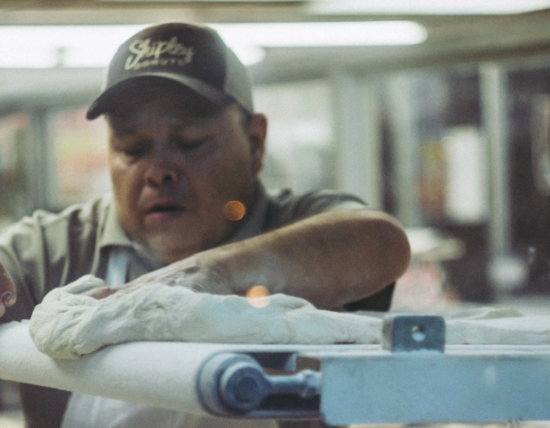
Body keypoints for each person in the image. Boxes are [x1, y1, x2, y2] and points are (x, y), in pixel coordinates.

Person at [0, 22, 410, 428]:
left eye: (190, 141)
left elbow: (381, 241)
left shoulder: (297, 223)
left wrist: (200, 278)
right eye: (133, 148)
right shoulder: (46, 253)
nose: (158, 171)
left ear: (255, 143)